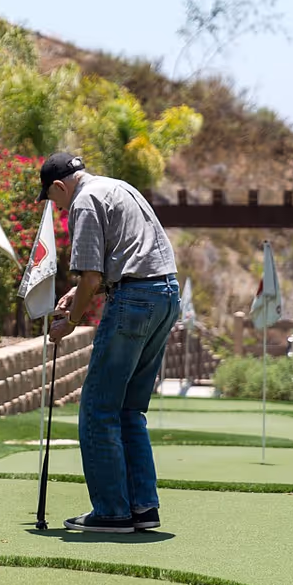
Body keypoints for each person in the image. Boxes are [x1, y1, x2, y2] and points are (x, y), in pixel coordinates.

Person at [44, 152, 180, 534]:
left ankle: (111, 512)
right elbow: (102, 272)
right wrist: (77, 292)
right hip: (166, 296)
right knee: (128, 410)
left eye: (54, 199)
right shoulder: (119, 187)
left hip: (135, 300)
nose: (57, 206)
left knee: (98, 409)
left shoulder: (84, 202)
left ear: (59, 186)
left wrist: (68, 323)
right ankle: (142, 508)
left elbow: (92, 278)